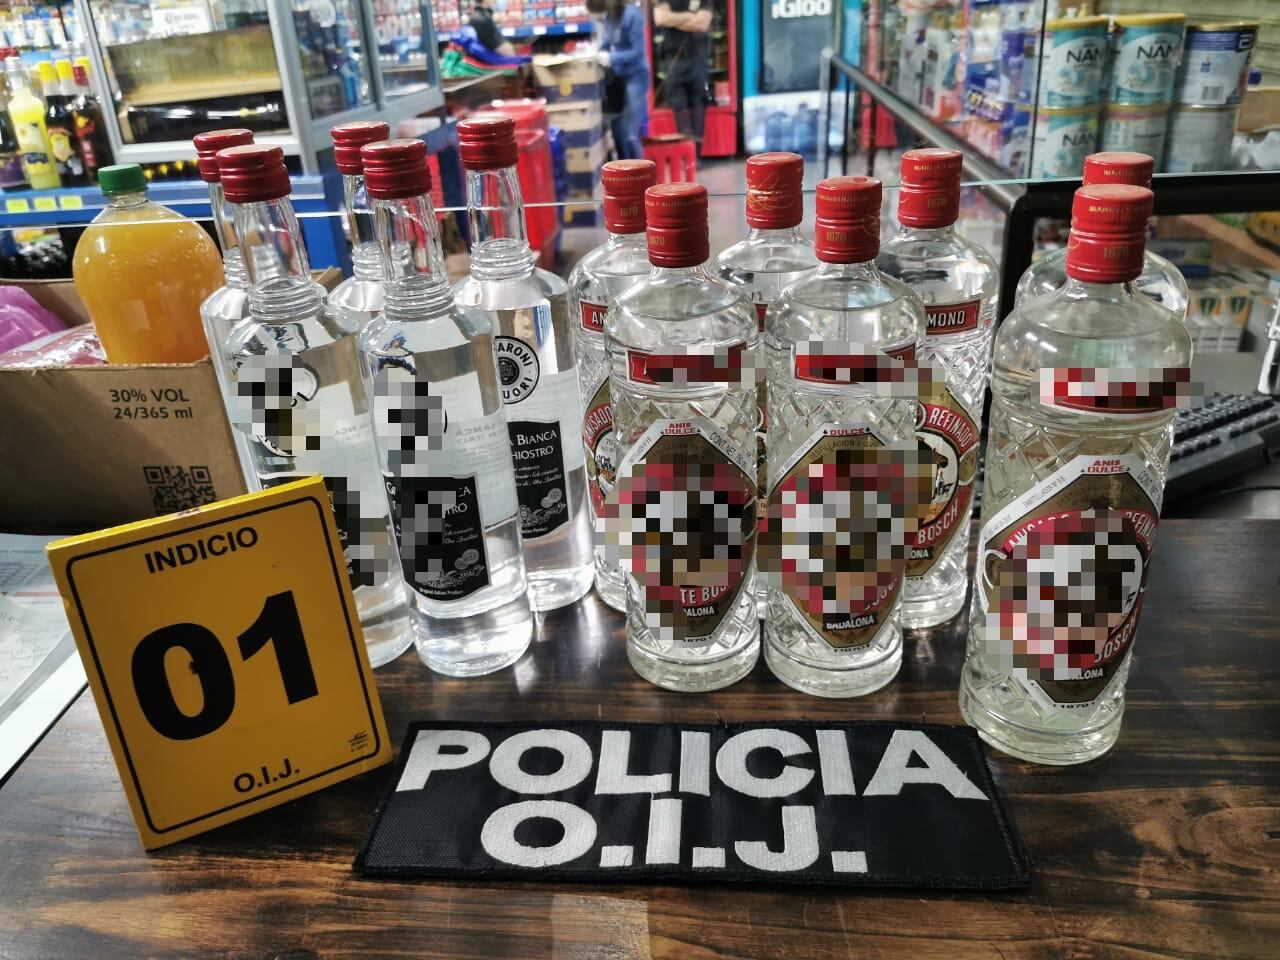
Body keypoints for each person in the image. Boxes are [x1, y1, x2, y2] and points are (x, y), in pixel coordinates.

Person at [587, 0, 649, 160]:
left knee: (630, 133)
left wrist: (612, 57)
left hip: (636, 76)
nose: (600, 20)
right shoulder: (608, 18)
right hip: (618, 77)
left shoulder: (632, 15)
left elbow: (638, 52)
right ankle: (623, 169)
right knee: (618, 130)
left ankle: (640, 171)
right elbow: (606, 42)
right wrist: (597, 52)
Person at [653, 0, 712, 145]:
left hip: (697, 59)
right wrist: (691, 17)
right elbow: (660, 19)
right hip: (674, 60)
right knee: (679, 107)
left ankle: (696, 154)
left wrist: (673, 20)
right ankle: (688, 151)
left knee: (698, 105)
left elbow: (702, 24)